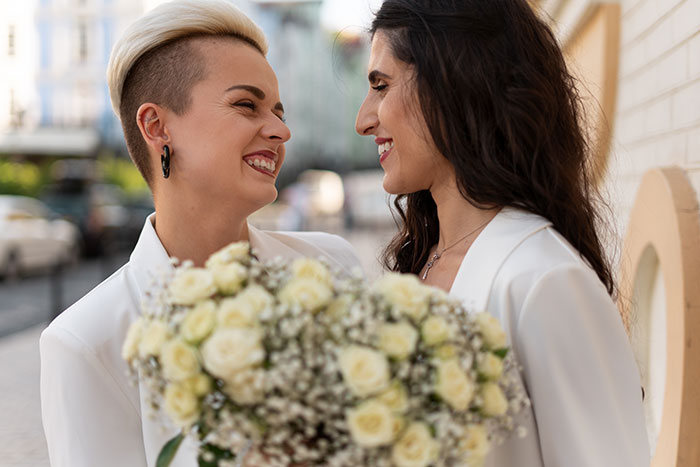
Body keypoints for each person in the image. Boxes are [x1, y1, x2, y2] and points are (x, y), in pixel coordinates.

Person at [39, 1, 361, 466]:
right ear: (156, 126)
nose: (280, 130)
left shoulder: (332, 267)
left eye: (278, 111)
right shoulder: (88, 343)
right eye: (246, 105)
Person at [355, 0, 650, 465]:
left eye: (381, 85)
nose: (363, 120)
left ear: (452, 82)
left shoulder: (543, 280)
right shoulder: (420, 265)